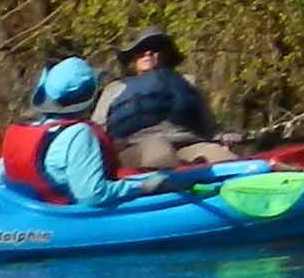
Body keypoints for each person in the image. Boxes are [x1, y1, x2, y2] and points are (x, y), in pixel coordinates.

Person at [0, 56, 139, 207]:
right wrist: (141, 187)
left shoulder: (28, 130)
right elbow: (92, 196)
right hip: (64, 219)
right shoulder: (80, 134)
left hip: (24, 213)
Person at [103, 26, 242, 171]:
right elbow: (97, 130)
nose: (148, 53)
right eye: (141, 50)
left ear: (166, 55)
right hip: (137, 146)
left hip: (188, 143)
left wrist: (224, 138)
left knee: (223, 159)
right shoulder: (115, 88)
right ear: (133, 57)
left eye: (155, 48)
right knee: (160, 153)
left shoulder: (188, 82)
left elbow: (210, 127)